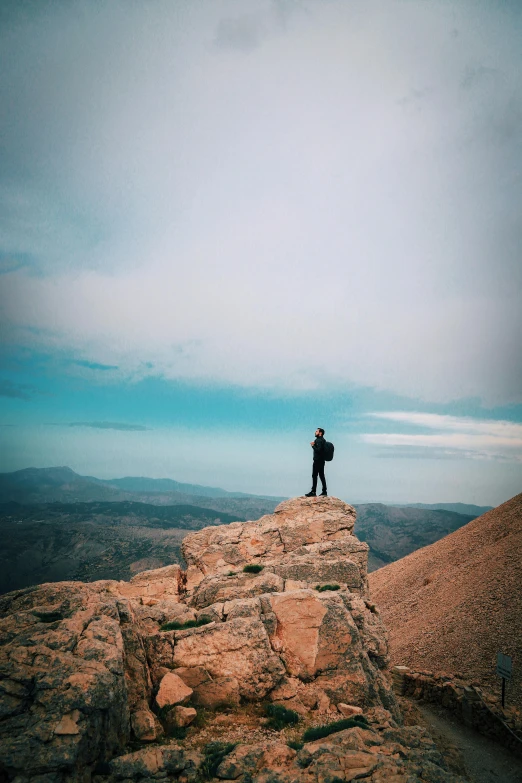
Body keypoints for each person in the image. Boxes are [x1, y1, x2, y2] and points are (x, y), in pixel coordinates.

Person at [304, 427, 327, 497]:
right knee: (322, 476)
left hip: (317, 461)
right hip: (322, 461)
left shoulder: (318, 440)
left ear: (320, 433)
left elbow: (318, 450)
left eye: (316, 431)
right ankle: (324, 491)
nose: (315, 432)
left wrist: (313, 445)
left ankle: (313, 491)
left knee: (314, 475)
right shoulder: (324, 440)